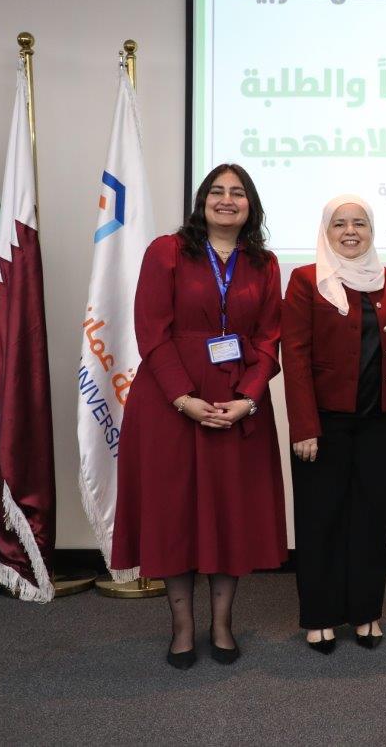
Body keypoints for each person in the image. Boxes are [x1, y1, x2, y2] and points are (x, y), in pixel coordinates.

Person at [112, 163, 287, 670]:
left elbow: (270, 338)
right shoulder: (166, 251)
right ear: (202, 201)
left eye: (238, 192)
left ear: (251, 205)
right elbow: (151, 332)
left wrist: (249, 398)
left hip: (237, 402)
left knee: (230, 512)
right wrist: (183, 398)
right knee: (176, 514)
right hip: (170, 405)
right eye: (217, 191)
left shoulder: (265, 263)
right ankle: (183, 628)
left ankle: (223, 624)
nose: (227, 199)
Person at [282, 195, 386, 654]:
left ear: (371, 230)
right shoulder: (306, 280)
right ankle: (319, 616)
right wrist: (303, 425)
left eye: (359, 223)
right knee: (321, 518)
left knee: (372, 519)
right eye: (339, 224)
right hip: (323, 424)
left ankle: (366, 612)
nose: (350, 231)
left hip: (379, 420)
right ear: (327, 231)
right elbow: (294, 356)